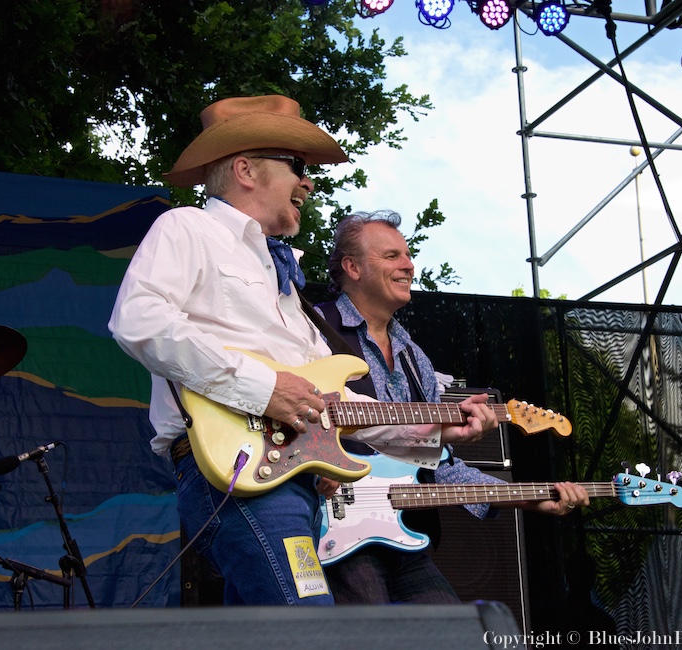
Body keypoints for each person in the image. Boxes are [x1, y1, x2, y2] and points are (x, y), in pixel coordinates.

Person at [107, 96, 497, 606]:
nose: (308, 183)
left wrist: (431, 427)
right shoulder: (189, 227)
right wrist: (265, 388)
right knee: (314, 628)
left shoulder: (287, 282)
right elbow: (138, 319)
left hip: (295, 477)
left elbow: (324, 399)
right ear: (245, 168)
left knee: (270, 633)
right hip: (238, 471)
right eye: (296, 166)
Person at [313, 210, 590, 604]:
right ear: (352, 267)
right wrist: (317, 467)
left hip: (402, 534)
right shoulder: (312, 329)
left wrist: (532, 498)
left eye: (408, 255)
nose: (408, 265)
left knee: (451, 633)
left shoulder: (414, 358)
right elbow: (286, 411)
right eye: (392, 256)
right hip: (327, 528)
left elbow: (440, 464)